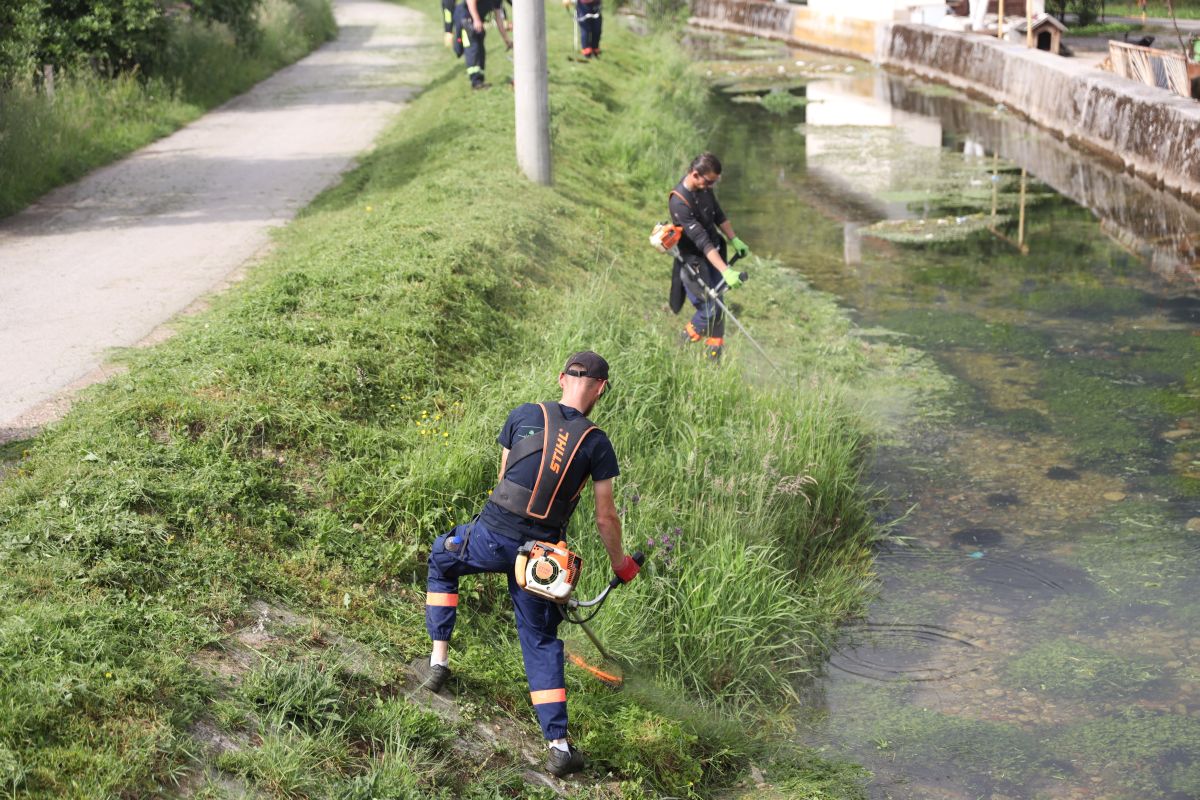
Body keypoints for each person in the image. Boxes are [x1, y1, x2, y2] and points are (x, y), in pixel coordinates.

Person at [422, 352, 640, 777]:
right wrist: (621, 565)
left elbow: (505, 478)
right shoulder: (597, 443)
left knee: (442, 557)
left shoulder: (523, 414)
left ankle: (438, 662)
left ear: (562, 379)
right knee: (539, 640)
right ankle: (558, 746)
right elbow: (605, 517)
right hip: (542, 560)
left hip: (488, 537)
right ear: (601, 388)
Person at [667, 153, 752, 361]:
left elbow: (718, 215)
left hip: (714, 254)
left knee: (719, 308)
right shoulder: (679, 202)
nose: (711, 186)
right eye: (709, 181)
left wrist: (734, 239)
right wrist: (726, 270)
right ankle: (680, 345)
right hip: (694, 262)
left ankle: (714, 360)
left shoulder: (705, 189)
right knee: (709, 309)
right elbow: (702, 241)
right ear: (695, 174)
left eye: (715, 181)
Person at [451, 0, 512, 90]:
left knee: (481, 50)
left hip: (476, 21)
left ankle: (480, 80)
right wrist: (476, 20)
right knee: (473, 49)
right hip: (465, 18)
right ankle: (476, 82)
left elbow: (499, 19)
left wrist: (506, 40)